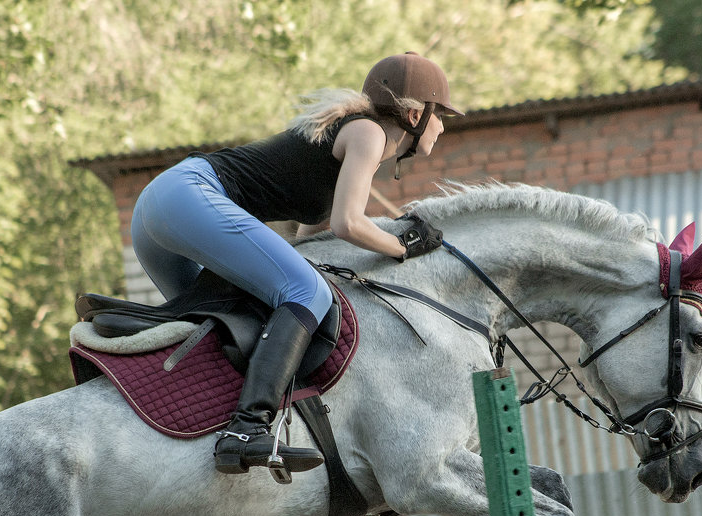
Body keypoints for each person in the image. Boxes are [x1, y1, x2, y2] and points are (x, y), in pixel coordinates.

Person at [129, 52, 462, 477]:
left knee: (226, 323)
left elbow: (313, 244)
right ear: (415, 114)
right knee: (306, 293)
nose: (444, 125)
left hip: (157, 211)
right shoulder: (369, 134)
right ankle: (249, 428)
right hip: (187, 195)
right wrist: (402, 247)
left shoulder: (347, 144)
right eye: (441, 115)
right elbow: (348, 224)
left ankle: (191, 419)